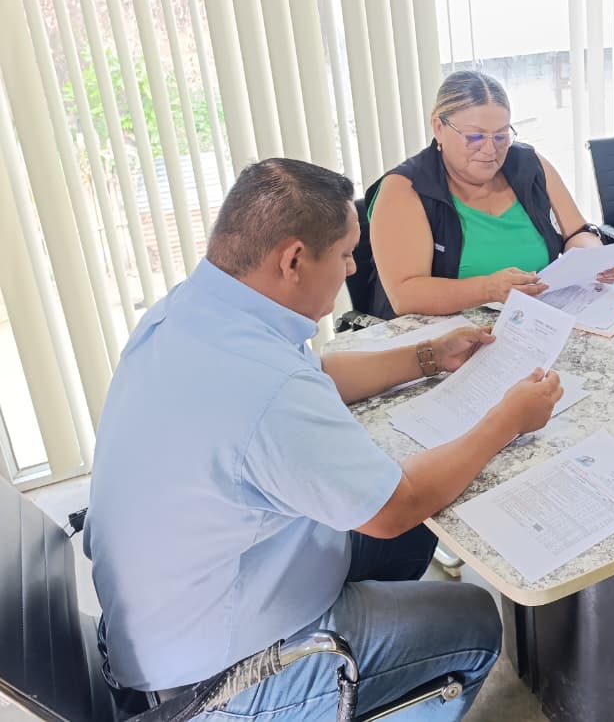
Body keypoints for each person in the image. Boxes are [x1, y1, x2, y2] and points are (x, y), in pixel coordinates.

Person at [86, 158, 565, 720]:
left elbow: (314, 374)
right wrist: (506, 420)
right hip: (219, 677)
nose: (353, 267)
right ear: (293, 259)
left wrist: (428, 356)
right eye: (344, 254)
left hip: (169, 615)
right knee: (476, 620)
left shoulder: (191, 312)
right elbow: (395, 506)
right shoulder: (265, 387)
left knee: (413, 537)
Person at [366, 70, 614, 318]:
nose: (490, 149)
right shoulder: (404, 188)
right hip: (446, 338)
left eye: (501, 136)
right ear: (438, 128)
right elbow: (404, 295)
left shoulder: (530, 165)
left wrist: (596, 259)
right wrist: (487, 289)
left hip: (533, 320)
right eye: (475, 137)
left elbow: (577, 232)